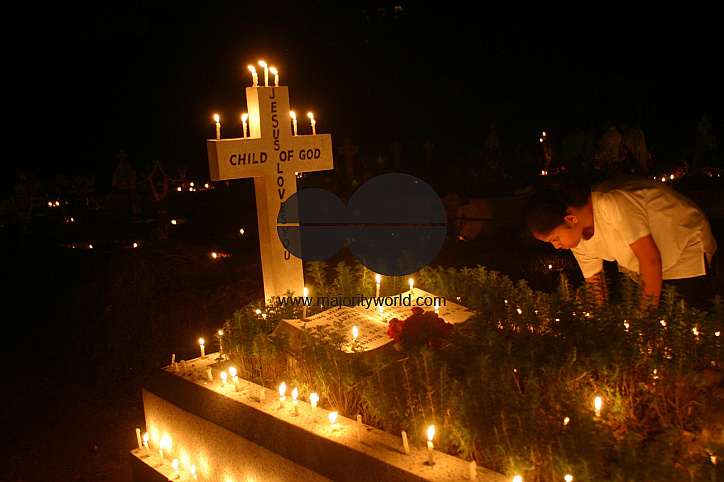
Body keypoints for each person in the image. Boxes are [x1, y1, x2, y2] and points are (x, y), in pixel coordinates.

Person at [525, 176, 717, 308]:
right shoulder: (578, 238)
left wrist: (645, 323)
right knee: (622, 321)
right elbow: (595, 287)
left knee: (668, 326)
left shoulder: (613, 202)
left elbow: (650, 260)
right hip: (637, 265)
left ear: (570, 219)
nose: (557, 247)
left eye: (555, 239)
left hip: (682, 247)